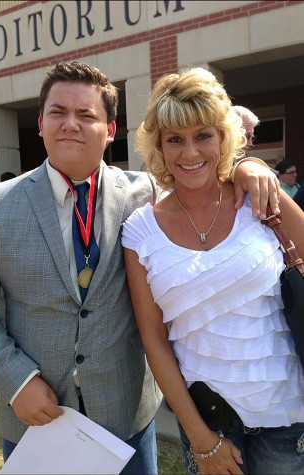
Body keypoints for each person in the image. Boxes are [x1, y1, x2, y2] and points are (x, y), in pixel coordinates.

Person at [0, 61, 279, 473]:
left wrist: (251, 167)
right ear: (40, 123)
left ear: (110, 131)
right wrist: (15, 381)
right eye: (58, 112)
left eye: (86, 115)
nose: (71, 124)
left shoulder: (145, 195)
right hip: (35, 417)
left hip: (125, 418)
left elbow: (202, 173)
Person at [122, 67, 304, 475]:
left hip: (288, 414)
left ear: (222, 137)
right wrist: (199, 436)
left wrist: (251, 166)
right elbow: (153, 338)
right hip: (209, 418)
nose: (190, 153)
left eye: (203, 135)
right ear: (159, 146)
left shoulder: (262, 199)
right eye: (175, 140)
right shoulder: (140, 230)